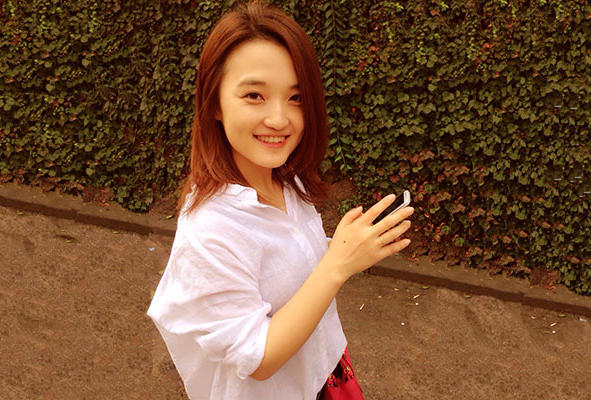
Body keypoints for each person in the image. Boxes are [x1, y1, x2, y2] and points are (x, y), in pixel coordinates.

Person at [147, 1, 414, 399]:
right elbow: (258, 359)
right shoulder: (209, 231)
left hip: (325, 372)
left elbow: (292, 267)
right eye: (254, 95)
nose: (279, 119)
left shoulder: (287, 181)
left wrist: (346, 248)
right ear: (214, 102)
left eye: (295, 97)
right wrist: (337, 265)